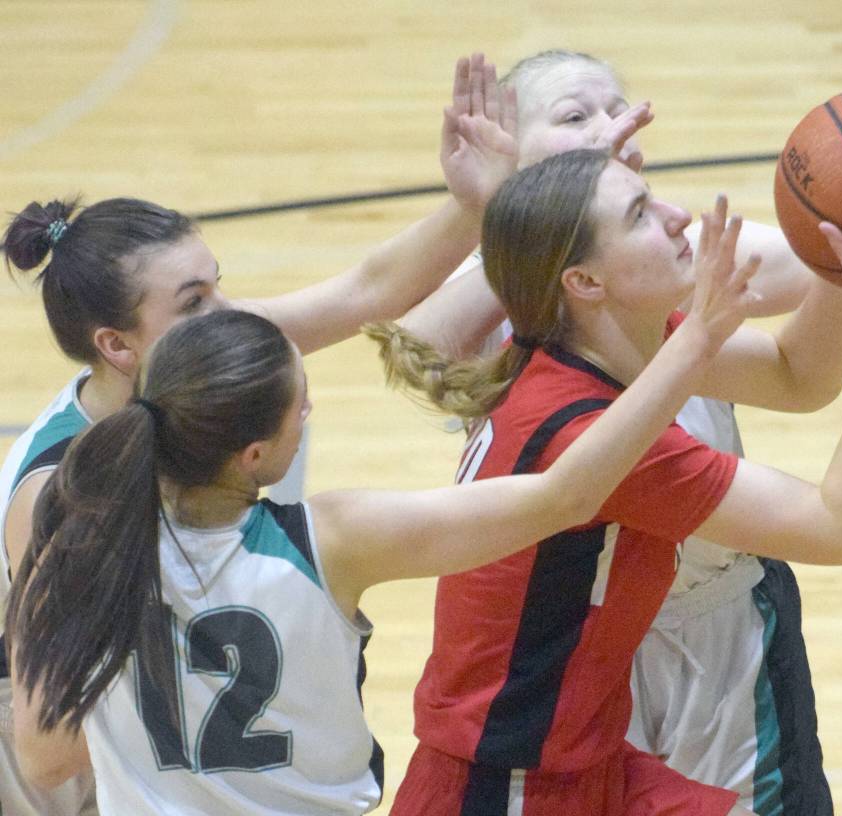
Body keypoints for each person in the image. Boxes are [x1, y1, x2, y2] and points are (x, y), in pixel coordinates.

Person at [395, 49, 842, 814]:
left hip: (597, 731)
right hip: (516, 780)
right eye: (574, 120)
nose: (678, 214)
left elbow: (795, 374)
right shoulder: (591, 414)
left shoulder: (600, 332)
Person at [6, 195, 761, 816]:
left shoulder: (82, 540)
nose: (309, 410)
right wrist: (694, 342)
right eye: (301, 407)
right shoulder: (335, 536)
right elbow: (568, 495)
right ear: (255, 455)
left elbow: (48, 751)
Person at [0, 52, 517, 816]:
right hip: (79, 749)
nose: (231, 311)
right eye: (194, 299)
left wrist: (477, 205)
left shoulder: (213, 356)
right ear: (118, 345)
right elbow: (54, 725)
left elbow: (367, 289)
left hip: (207, 704)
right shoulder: (53, 490)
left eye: (218, 281)